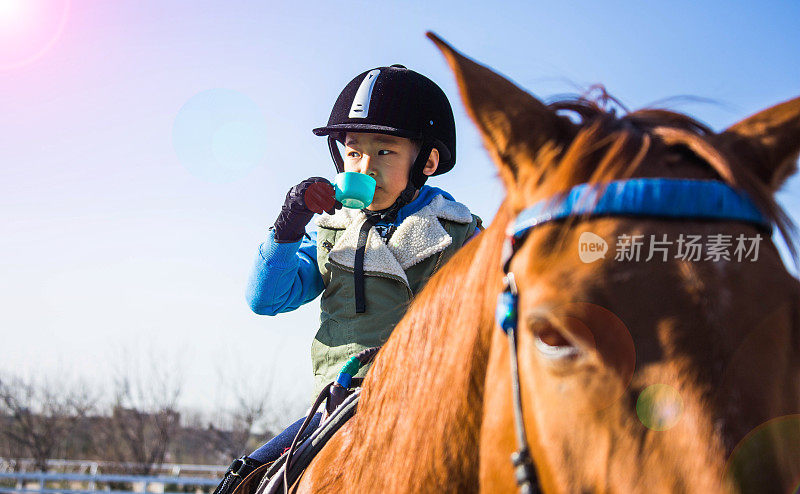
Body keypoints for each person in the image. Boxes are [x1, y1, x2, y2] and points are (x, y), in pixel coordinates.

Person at [213, 64, 483, 494]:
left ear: (427, 161)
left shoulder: (462, 233)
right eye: (353, 152)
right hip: (338, 400)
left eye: (385, 152)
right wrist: (289, 222)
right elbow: (265, 299)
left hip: (432, 399)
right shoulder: (331, 227)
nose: (365, 166)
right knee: (242, 479)